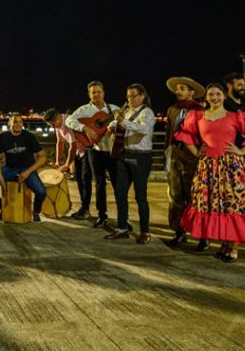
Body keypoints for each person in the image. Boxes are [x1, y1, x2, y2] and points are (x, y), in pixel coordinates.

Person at [174, 82, 245, 263]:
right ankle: (224, 245)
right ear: (206, 97)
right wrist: (196, 152)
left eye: (218, 94)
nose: (214, 98)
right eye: (211, 94)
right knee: (216, 205)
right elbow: (185, 135)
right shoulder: (197, 116)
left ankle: (233, 247)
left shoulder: (236, 117)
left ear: (224, 96)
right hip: (208, 167)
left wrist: (242, 151)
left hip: (231, 168)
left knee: (232, 205)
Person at [65, 81, 122, 230]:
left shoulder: (115, 109)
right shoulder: (84, 110)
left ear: (104, 92)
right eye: (93, 92)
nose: (96, 94)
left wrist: (117, 124)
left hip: (112, 152)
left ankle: (123, 217)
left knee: (118, 184)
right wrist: (85, 128)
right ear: (89, 94)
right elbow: (69, 121)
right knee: (99, 184)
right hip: (94, 151)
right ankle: (102, 216)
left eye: (98, 91)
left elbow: (124, 124)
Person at [105, 84, 157, 243]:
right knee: (120, 193)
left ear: (142, 96)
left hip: (140, 157)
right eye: (128, 96)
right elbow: (116, 126)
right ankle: (122, 228)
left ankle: (145, 232)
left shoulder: (147, 112)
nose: (130, 99)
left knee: (140, 196)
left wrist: (123, 122)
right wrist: (113, 124)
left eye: (133, 96)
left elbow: (143, 130)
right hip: (124, 155)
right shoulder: (127, 112)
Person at [161, 76, 206, 249]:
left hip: (192, 155)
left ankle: (202, 235)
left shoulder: (200, 110)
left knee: (195, 196)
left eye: (182, 88)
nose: (178, 91)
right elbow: (168, 133)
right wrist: (166, 153)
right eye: (177, 88)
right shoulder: (172, 110)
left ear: (191, 92)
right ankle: (178, 231)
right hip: (175, 154)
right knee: (174, 195)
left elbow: (205, 133)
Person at [0, 114, 47, 222]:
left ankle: (36, 211)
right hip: (10, 169)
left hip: (27, 169)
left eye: (20, 122)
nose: (18, 124)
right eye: (15, 122)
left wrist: (27, 172)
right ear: (10, 123)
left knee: (41, 192)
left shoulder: (29, 136)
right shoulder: (3, 137)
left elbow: (42, 157)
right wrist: (2, 183)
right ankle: (2, 207)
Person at [43, 107, 90, 218]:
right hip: (78, 152)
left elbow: (72, 145)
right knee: (79, 179)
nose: (54, 126)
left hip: (87, 150)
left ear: (58, 117)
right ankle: (84, 208)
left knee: (85, 179)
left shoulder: (69, 121)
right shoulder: (57, 125)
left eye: (54, 124)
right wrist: (58, 161)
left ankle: (86, 209)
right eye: (51, 125)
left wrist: (67, 165)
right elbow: (60, 142)